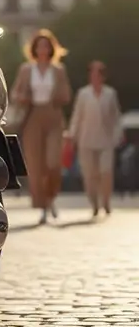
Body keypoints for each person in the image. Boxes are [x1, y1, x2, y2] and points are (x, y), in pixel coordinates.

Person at [10, 29, 72, 224]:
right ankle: (43, 206)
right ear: (34, 48)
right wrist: (24, 98)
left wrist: (58, 95)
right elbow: (14, 93)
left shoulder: (58, 70)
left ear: (51, 48)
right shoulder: (26, 69)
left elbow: (67, 95)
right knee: (36, 165)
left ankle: (51, 197)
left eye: (46, 45)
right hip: (33, 116)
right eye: (40, 45)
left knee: (53, 162)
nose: (43, 49)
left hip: (53, 115)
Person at [66, 61, 122, 218]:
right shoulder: (83, 94)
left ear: (103, 76)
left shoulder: (110, 93)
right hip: (86, 140)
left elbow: (115, 117)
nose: (95, 76)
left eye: (98, 73)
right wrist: (72, 134)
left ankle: (106, 202)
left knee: (105, 172)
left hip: (106, 140)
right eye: (92, 73)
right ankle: (94, 204)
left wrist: (118, 135)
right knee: (90, 175)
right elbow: (77, 116)